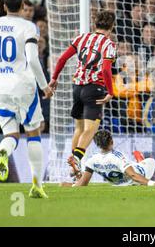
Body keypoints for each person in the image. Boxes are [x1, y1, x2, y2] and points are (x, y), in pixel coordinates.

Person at [0, 0, 54, 198]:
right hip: (23, 86)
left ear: (5, 6)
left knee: (11, 134)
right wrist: (44, 86)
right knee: (33, 132)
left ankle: (4, 151)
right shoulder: (28, 27)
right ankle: (36, 185)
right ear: (23, 6)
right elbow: (33, 60)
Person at [50, 11, 117, 179]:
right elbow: (106, 70)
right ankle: (76, 160)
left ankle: (74, 169)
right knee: (90, 130)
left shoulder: (82, 38)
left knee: (78, 129)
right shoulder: (108, 44)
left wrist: (54, 78)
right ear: (112, 26)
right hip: (94, 88)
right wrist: (110, 91)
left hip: (77, 87)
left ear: (95, 24)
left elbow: (62, 59)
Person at [61, 130, 155, 187]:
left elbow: (83, 183)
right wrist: (153, 183)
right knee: (153, 161)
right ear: (112, 141)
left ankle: (139, 161)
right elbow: (133, 175)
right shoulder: (118, 156)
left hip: (125, 180)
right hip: (141, 176)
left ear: (97, 144)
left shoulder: (92, 160)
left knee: (135, 165)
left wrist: (69, 184)